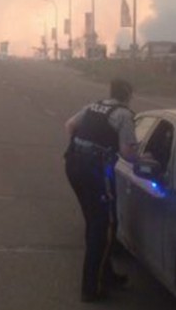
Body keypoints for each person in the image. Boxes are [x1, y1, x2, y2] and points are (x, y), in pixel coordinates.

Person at [64, 78, 137, 303]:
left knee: (94, 220)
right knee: (103, 227)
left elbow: (69, 126)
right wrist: (142, 156)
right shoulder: (124, 115)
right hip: (94, 169)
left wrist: (84, 147)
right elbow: (127, 153)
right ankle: (91, 288)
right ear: (128, 94)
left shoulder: (94, 106)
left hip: (73, 164)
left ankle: (106, 275)